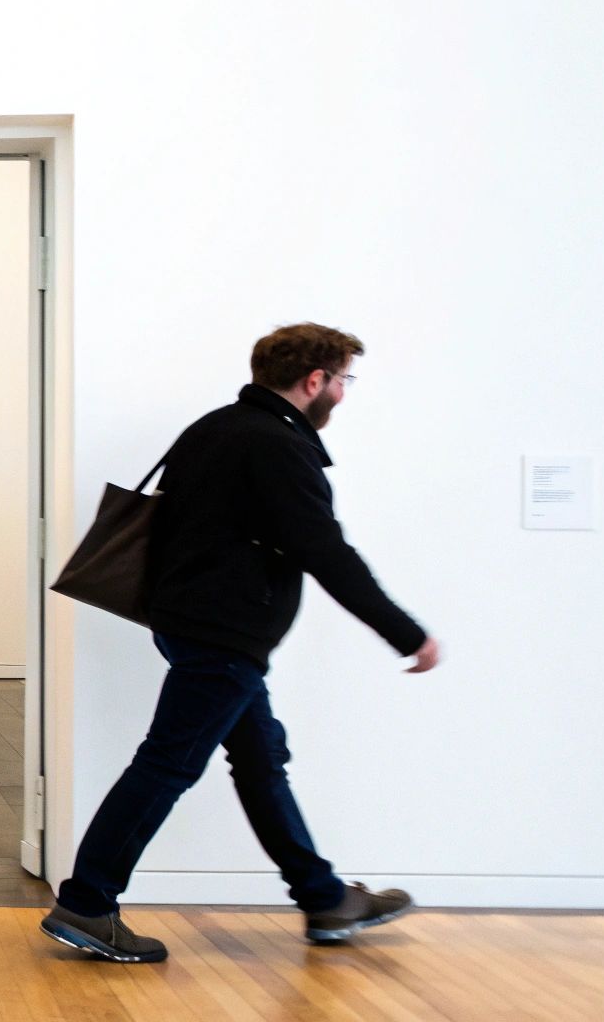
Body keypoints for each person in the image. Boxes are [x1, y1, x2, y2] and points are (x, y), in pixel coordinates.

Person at [41, 322, 440, 963]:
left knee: (259, 762)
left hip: (188, 626)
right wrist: (405, 632)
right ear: (315, 381)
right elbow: (325, 551)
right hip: (224, 636)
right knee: (168, 763)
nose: (343, 392)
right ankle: (87, 903)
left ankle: (324, 898)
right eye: (342, 380)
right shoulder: (278, 445)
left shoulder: (215, 427)